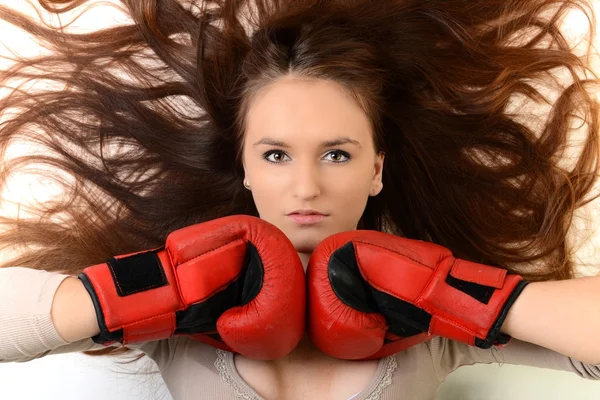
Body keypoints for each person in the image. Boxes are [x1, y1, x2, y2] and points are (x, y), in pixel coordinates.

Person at [1, 0, 599, 399]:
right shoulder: (176, 310)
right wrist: (157, 289)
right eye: (276, 155)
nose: (306, 187)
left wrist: (453, 293)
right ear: (244, 166)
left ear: (377, 171)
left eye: (337, 154)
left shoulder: (433, 322)